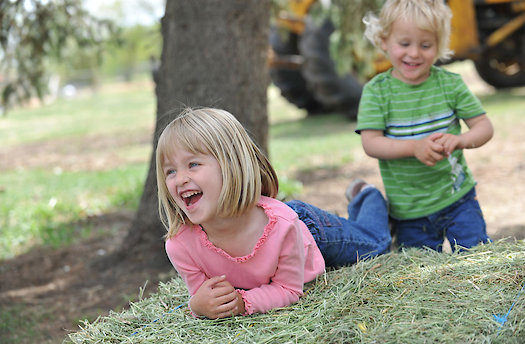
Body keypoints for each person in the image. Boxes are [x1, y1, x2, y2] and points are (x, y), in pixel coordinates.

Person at [156, 107, 391, 319]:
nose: (181, 179)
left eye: (193, 164)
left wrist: (243, 303)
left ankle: (367, 196)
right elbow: (202, 295)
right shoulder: (180, 245)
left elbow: (289, 289)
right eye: (170, 171)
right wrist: (198, 306)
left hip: (310, 232)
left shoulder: (283, 224)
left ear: (232, 164)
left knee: (376, 244)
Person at [357, 0, 494, 252]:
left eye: (426, 45)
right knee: (421, 277)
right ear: (384, 40)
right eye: (404, 43)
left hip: (458, 199)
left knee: (476, 260)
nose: (414, 53)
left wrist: (461, 140)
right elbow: (371, 142)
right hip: (410, 211)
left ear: (439, 45)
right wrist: (414, 147)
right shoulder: (377, 92)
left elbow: (484, 126)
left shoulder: (450, 84)